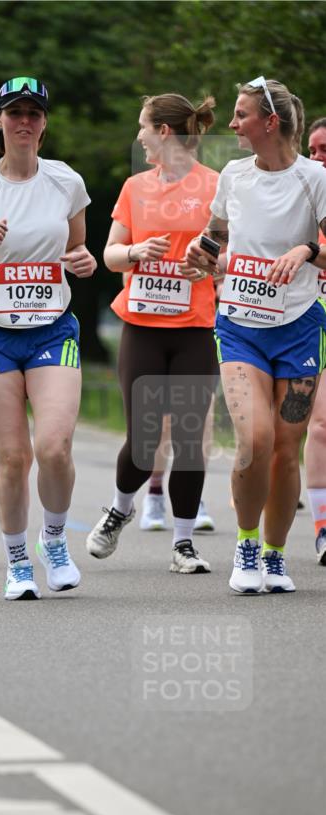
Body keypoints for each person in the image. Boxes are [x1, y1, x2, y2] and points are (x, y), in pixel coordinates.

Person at [0, 78, 97, 599]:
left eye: (34, 114)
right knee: (13, 457)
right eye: (15, 113)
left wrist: (85, 262)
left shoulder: (65, 182)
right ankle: (16, 562)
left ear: (44, 123)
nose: (25, 122)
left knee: (54, 446)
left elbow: (79, 254)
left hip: (52, 330)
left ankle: (53, 541)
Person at [186, 78, 326, 593]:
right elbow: (213, 235)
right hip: (241, 325)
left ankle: (274, 554)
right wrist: (198, 256)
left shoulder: (315, 179)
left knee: (286, 448)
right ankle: (245, 545)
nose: (231, 124)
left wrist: (307, 251)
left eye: (241, 114)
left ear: (269, 122)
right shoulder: (234, 175)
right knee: (254, 440)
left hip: (300, 328)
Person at [86, 92, 220, 574]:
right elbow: (110, 254)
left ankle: (183, 546)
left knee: (187, 437)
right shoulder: (134, 187)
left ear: (164, 132)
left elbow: (233, 257)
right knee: (144, 439)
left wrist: (207, 268)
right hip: (141, 326)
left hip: (195, 328)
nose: (138, 135)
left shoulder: (216, 186)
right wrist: (138, 250)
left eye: (143, 126)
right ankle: (120, 510)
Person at [304, 116, 326, 564]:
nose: (318, 158)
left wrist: (307, 250)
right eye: (313, 149)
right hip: (306, 325)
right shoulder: (296, 201)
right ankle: (323, 526)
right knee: (320, 425)